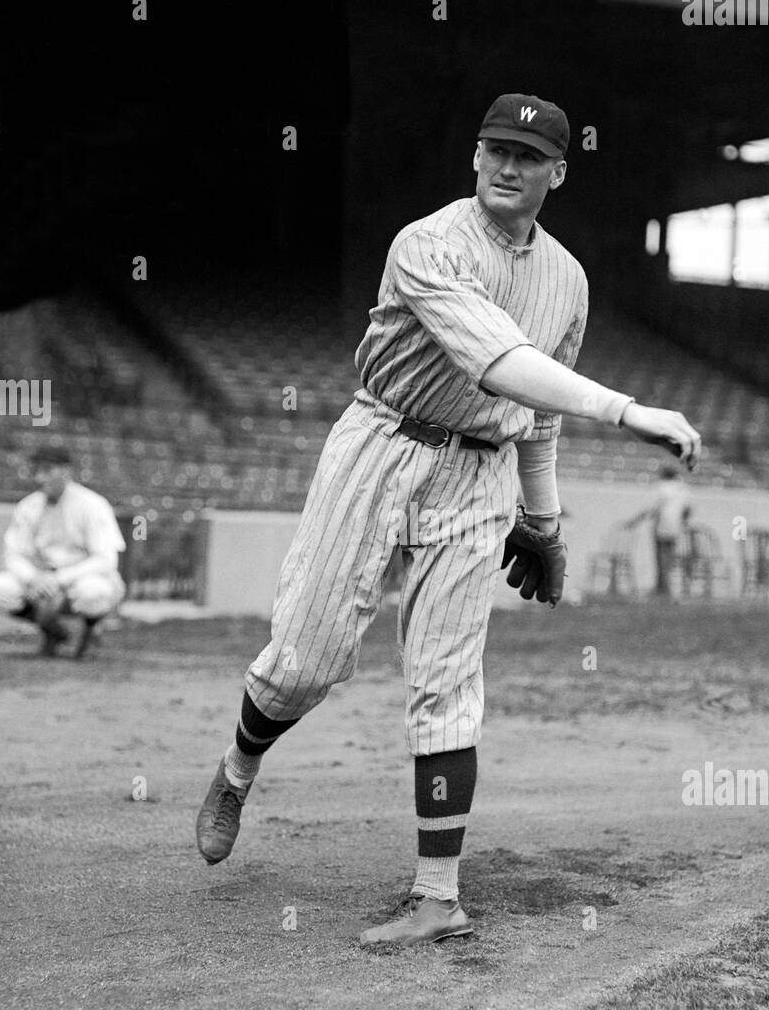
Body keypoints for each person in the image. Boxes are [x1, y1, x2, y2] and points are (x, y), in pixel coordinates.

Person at [195, 92, 701, 946]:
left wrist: (543, 520)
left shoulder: (568, 279)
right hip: (381, 441)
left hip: (480, 474)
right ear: (474, 155)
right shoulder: (427, 242)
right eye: (496, 149)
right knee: (304, 662)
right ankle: (239, 768)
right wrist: (626, 411)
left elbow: (535, 420)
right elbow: (499, 363)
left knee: (448, 682)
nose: (509, 166)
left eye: (530, 157)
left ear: (558, 173)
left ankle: (439, 895)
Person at [0, 444, 126, 657]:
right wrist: (34, 578)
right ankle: (55, 631)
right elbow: (13, 555)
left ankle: (88, 630)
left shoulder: (92, 504)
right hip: (43, 581)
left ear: (66, 471)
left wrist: (60, 579)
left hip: (80, 579)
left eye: (47, 470)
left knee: (94, 592)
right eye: (37, 471)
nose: (40, 477)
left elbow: (106, 560)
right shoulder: (28, 506)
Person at [624, 463, 693, 597]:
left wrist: (634, 521)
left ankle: (663, 587)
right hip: (676, 526)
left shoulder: (662, 488)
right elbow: (688, 509)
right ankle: (663, 586)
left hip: (662, 524)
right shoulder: (683, 489)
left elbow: (651, 508)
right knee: (670, 556)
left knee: (661, 556)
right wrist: (682, 521)